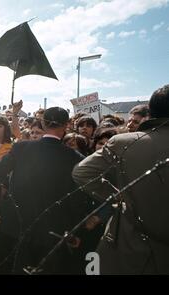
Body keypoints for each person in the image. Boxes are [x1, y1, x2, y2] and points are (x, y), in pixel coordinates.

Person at [73, 84, 169, 274]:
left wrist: (117, 197)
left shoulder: (125, 142)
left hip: (129, 245)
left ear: (152, 111)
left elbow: (81, 172)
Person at [0, 107, 86, 274]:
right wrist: (76, 230)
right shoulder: (74, 157)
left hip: (17, 224)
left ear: (43, 122)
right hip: (53, 230)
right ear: (66, 125)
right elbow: (77, 198)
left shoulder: (21, 148)